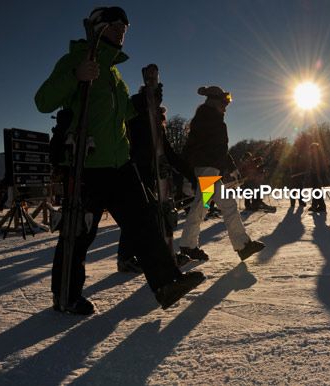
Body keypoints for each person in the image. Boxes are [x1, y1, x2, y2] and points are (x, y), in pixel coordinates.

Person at [34, 6, 204, 315]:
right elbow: (43, 100)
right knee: (79, 234)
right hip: (88, 164)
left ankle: (167, 283)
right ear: (97, 26)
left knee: (144, 222)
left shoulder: (113, 74)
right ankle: (65, 296)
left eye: (124, 27)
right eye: (114, 25)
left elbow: (122, 114)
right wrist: (76, 76)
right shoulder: (77, 60)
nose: (121, 30)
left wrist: (145, 102)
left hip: (120, 164)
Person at [179, 86, 265, 261]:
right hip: (208, 169)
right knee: (219, 206)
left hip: (210, 169)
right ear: (213, 100)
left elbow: (219, 149)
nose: (225, 107)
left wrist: (230, 167)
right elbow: (210, 148)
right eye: (223, 103)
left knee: (203, 207)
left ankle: (189, 246)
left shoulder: (209, 118)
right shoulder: (209, 120)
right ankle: (242, 246)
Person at [116, 91, 197, 273]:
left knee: (146, 216)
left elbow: (168, 153)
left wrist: (191, 175)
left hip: (148, 174)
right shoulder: (136, 116)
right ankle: (137, 258)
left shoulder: (152, 121)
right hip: (133, 171)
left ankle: (133, 257)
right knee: (145, 216)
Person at [306, 142, 330, 213]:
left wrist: (318, 172)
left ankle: (322, 207)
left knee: (317, 191)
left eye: (312, 149)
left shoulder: (319, 156)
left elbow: (322, 166)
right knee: (315, 191)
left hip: (318, 175)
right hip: (314, 175)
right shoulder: (313, 156)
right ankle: (315, 205)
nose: (311, 150)